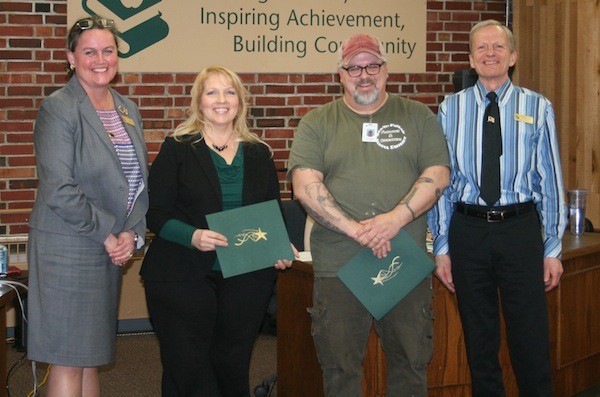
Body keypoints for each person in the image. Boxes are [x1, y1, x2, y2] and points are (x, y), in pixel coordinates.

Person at [288, 34, 450, 397]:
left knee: (410, 367)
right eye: (354, 67)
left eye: (372, 65)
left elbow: (438, 174)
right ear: (341, 74)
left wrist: (393, 219)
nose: (364, 74)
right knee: (340, 371)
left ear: (386, 70)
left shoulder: (417, 115)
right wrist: (357, 230)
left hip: (403, 261)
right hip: (339, 266)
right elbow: (304, 185)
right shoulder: (317, 122)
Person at [427, 19, 568, 397]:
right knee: (479, 342)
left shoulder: (537, 107)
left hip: (520, 231)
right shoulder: (448, 109)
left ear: (513, 56)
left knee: (531, 341)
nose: (490, 54)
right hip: (467, 232)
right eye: (482, 48)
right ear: (471, 59)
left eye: (498, 47)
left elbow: (550, 182)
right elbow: (441, 183)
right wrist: (441, 245)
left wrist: (552, 247)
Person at [140, 66, 294, 397]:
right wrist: (192, 236)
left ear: (240, 102)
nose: (221, 100)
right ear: (198, 102)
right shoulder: (178, 148)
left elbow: (272, 212)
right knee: (189, 368)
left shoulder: (259, 153)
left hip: (246, 275)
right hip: (182, 273)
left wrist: (282, 245)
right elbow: (154, 213)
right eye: (212, 92)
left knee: (232, 364)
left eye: (229, 92)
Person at [27, 16, 148, 397]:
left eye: (108, 51)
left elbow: (139, 181)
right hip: (67, 246)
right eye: (90, 51)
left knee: (91, 355)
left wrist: (133, 233)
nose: (101, 59)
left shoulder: (127, 108)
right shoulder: (59, 108)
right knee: (67, 357)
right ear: (71, 57)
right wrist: (110, 235)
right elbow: (59, 188)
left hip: (108, 248)